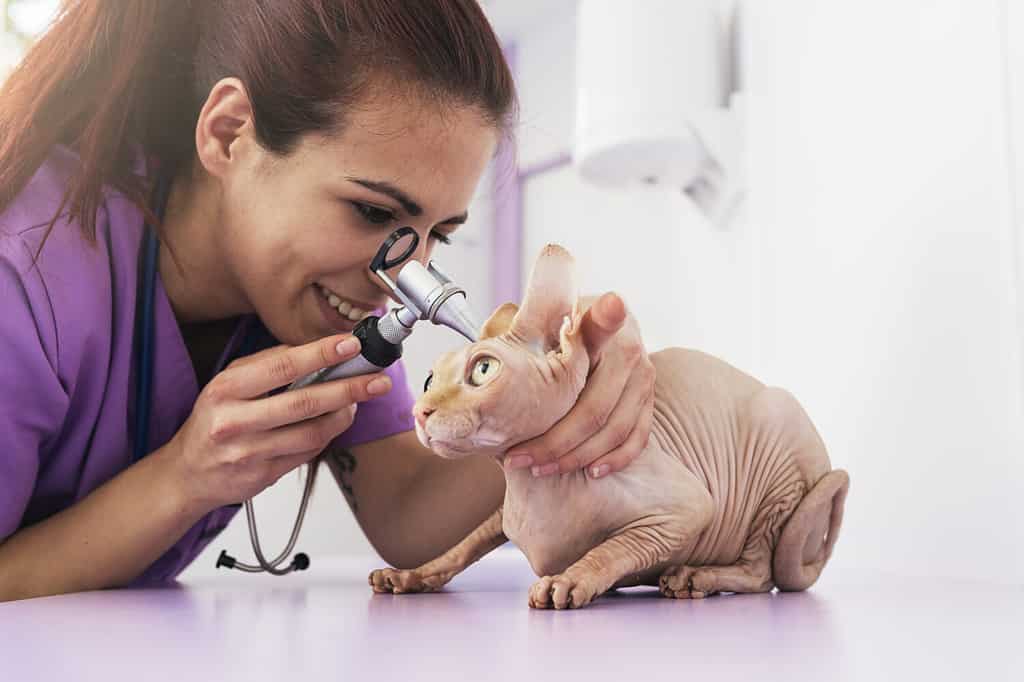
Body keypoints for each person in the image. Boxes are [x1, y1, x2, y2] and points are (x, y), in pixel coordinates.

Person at [0, 0, 655, 602]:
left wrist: (556, 399)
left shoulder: (325, 298)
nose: (401, 276)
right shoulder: (23, 275)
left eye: (439, 234)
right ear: (228, 134)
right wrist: (183, 479)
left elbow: (405, 513)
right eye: (372, 211)